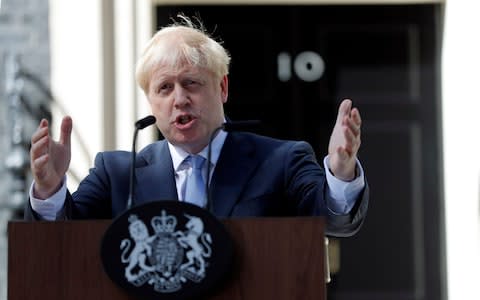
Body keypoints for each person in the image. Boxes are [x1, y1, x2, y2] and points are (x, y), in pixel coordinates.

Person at [25, 15, 368, 237]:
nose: (179, 99)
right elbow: (60, 242)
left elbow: (333, 221)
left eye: (191, 83)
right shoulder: (115, 173)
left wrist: (339, 172)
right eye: (164, 88)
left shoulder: (282, 160)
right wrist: (49, 191)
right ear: (150, 102)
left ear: (222, 88)